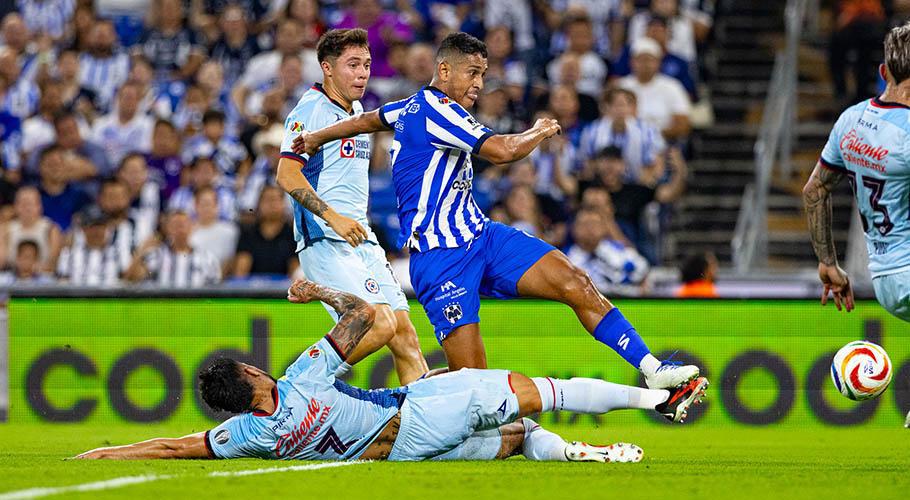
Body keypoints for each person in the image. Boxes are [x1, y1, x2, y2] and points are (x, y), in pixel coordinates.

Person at [293, 32, 700, 389]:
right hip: (441, 260)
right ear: (445, 71)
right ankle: (396, 404)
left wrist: (316, 137)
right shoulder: (439, 110)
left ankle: (651, 367)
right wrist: (540, 129)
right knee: (474, 386)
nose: (479, 84)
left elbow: (365, 121)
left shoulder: (410, 108)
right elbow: (503, 151)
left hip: (483, 237)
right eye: (472, 73)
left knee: (575, 281)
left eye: (483, 74)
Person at [75, 278, 710, 461]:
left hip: (396, 452)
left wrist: (109, 455)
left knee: (513, 441)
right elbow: (366, 317)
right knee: (538, 391)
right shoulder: (301, 378)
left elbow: (173, 445)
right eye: (249, 364)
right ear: (255, 379)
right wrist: (322, 292)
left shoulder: (242, 437)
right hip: (410, 415)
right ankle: (659, 399)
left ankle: (583, 458)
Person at [276, 29, 428, 386]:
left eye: (367, 65)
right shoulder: (310, 111)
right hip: (325, 240)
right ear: (327, 68)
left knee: (405, 334)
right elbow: (286, 174)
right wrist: (334, 218)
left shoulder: (357, 110)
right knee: (378, 322)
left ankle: (425, 431)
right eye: (353, 65)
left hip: (362, 240)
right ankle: (294, 388)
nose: (362, 73)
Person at [802, 22, 910, 322]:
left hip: (885, 282)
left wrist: (827, 263)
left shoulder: (851, 120)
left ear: (883, 72)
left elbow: (815, 190)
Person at [126, 210, 221, 288]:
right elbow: (131, 279)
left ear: (191, 227)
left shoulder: (208, 259)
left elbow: (215, 292)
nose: (180, 228)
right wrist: (142, 250)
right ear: (168, 229)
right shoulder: (155, 256)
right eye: (176, 224)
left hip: (195, 309)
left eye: (184, 224)